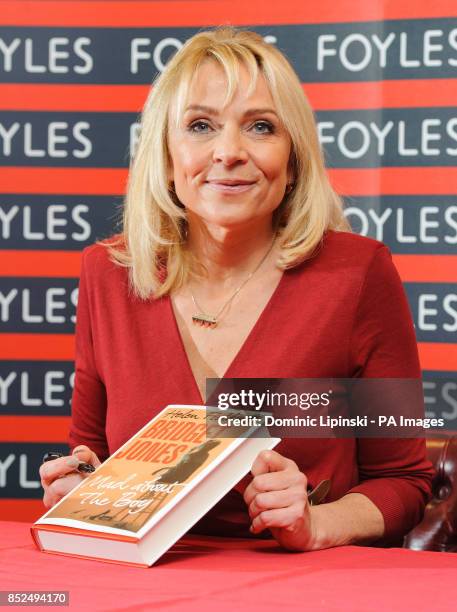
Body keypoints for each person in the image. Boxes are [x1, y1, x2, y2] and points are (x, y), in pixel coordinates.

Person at [39, 26, 434, 552]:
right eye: (201, 125)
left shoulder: (357, 275)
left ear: (292, 160)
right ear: (166, 154)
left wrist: (317, 525)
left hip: (303, 590)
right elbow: (89, 455)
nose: (229, 151)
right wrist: (78, 487)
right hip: (144, 585)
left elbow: (403, 482)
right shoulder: (109, 274)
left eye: (261, 127)